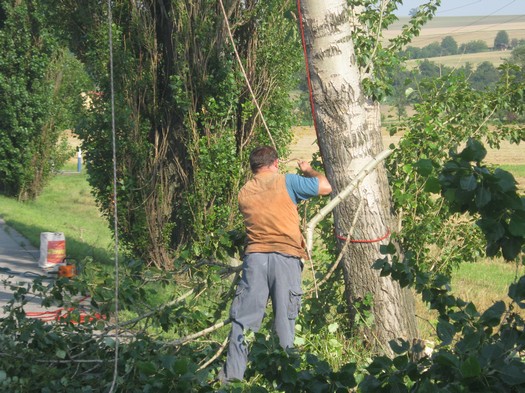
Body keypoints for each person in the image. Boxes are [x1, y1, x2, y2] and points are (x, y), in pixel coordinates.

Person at [220, 145, 332, 382]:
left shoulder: (244, 192)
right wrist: (309, 169)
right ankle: (285, 379)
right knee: (284, 321)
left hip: (255, 259)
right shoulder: (288, 181)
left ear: (253, 167)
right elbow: (325, 187)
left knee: (245, 322)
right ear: (275, 163)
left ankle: (232, 381)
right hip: (286, 257)